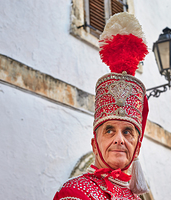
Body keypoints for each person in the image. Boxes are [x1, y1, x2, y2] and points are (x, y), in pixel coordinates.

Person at [53, 12, 149, 200]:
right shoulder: (74, 192)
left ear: (137, 148)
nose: (120, 139)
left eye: (128, 131)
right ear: (94, 144)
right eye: (109, 130)